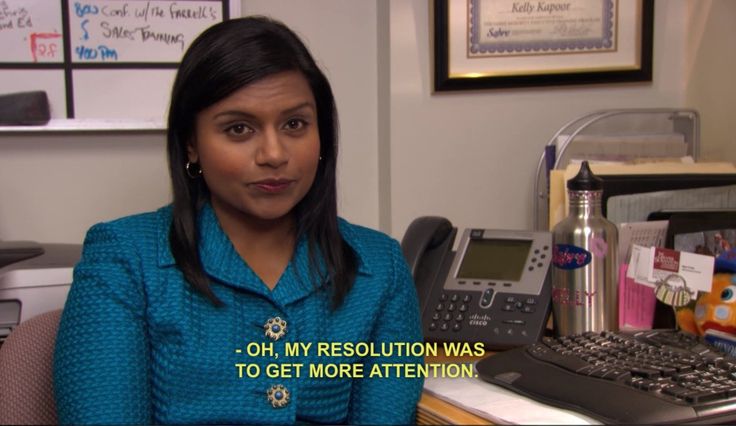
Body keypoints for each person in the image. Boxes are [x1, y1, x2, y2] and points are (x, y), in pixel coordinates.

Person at [53, 16, 424, 425]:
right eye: (239, 129)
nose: (273, 154)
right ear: (191, 144)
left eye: (295, 124)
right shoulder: (125, 257)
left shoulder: (381, 266)